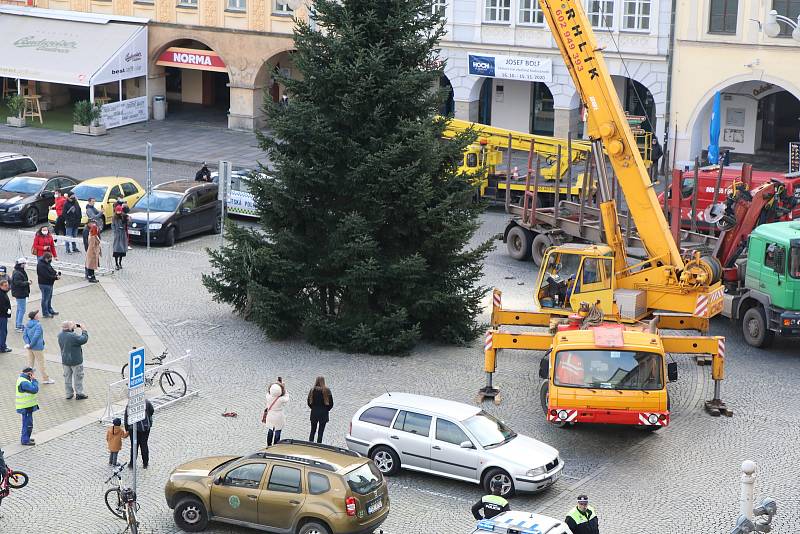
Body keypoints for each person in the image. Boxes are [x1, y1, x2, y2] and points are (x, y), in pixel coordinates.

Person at [58, 321, 89, 400]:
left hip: (65, 361)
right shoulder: (73, 336)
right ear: (69, 327)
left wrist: (72, 328)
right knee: (78, 377)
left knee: (67, 378)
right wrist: (84, 330)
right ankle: (79, 393)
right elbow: (84, 339)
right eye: (72, 325)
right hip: (75, 361)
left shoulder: (60, 335)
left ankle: (69, 394)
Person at [23, 310, 53, 384]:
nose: (39, 315)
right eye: (37, 314)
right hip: (37, 347)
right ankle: (46, 378)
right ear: (35, 317)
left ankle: (28, 378)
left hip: (29, 348)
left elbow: (25, 335)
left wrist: (28, 344)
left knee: (30, 363)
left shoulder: (27, 324)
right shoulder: (38, 325)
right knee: (41, 363)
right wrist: (31, 344)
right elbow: (36, 336)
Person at [125, 399, 154, 469]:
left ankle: (132, 464)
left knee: (134, 446)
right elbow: (152, 411)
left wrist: (127, 429)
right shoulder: (146, 402)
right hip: (145, 427)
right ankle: (145, 463)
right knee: (144, 445)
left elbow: (126, 417)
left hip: (133, 429)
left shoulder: (130, 404)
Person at [16, 366, 39, 446]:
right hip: (26, 407)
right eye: (32, 373)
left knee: (27, 423)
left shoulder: (23, 379)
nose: (34, 374)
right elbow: (34, 389)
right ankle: (25, 440)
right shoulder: (24, 382)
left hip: (26, 407)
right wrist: (34, 380)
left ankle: (26, 437)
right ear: (29, 374)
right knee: (28, 424)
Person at [307, 376, 333, 443]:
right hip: (323, 413)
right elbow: (331, 404)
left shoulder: (312, 390)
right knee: (321, 432)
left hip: (314, 412)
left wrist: (313, 408)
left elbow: (308, 402)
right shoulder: (327, 391)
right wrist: (326, 409)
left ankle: (310, 443)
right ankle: (319, 444)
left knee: (312, 430)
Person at [262, 382, 288, 446]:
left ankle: (269, 445)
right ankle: (276, 445)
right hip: (279, 416)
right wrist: (284, 387)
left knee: (270, 430)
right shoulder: (281, 399)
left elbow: (268, 392)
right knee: (278, 431)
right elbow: (287, 397)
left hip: (270, 415)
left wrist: (276, 384)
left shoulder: (268, 396)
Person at [36, 252, 60, 318]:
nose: (50, 260)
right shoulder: (41, 265)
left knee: (49, 298)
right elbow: (46, 275)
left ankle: (50, 310)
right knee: (45, 299)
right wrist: (55, 277)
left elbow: (51, 269)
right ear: (46, 258)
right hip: (44, 284)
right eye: (49, 259)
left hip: (49, 283)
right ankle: (45, 313)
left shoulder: (46, 263)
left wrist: (55, 273)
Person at [11, 258, 31, 332]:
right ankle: (18, 326)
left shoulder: (18, 271)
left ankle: (18, 324)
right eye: (25, 264)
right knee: (22, 310)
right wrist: (27, 283)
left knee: (19, 309)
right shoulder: (18, 273)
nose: (26, 265)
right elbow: (18, 283)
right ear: (22, 264)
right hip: (20, 294)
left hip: (20, 293)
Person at [0, 280, 10, 353]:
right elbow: (2, 307)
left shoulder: (3, 292)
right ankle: (2, 347)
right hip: (2, 316)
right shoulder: (1, 295)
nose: (7, 287)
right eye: (5, 286)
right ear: (1, 286)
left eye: (7, 285)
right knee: (3, 332)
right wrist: (7, 311)